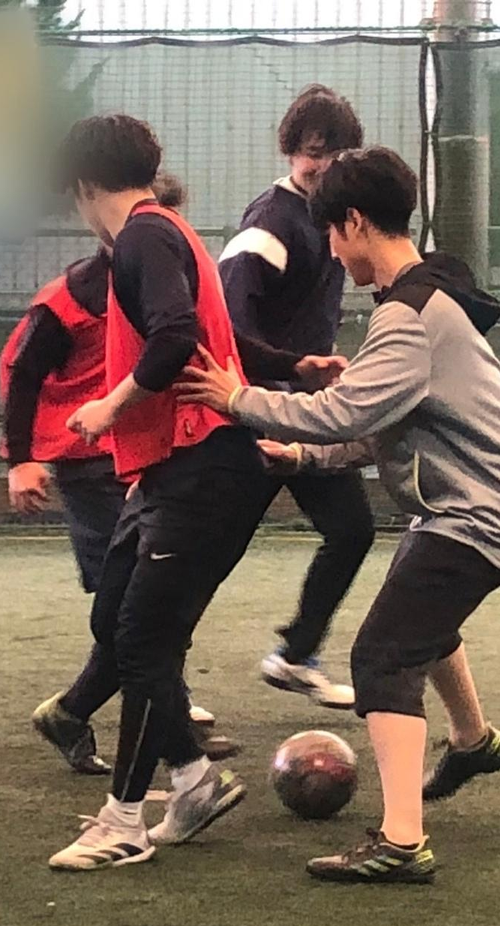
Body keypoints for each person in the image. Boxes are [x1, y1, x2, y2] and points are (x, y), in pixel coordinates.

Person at [177, 147, 500, 883]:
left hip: (476, 517)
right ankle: (472, 742)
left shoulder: (409, 314)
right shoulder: (427, 295)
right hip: (471, 510)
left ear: (353, 221)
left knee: (381, 658)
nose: (334, 256)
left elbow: (344, 410)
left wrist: (237, 399)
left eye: (332, 236)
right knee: (417, 614)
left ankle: (402, 843)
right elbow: (378, 428)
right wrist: (304, 460)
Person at [42, 114, 277, 872]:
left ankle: (125, 819)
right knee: (117, 625)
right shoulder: (160, 234)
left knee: (144, 639)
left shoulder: (143, 238)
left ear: (83, 185)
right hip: (173, 471)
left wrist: (108, 408)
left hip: (203, 467)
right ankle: (193, 782)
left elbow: (175, 337)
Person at [0, 174, 247, 773]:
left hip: (140, 453)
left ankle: (88, 715)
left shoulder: (160, 278)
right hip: (88, 458)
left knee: (144, 607)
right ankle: (167, 734)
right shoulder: (72, 297)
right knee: (137, 610)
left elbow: (203, 348)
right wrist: (21, 459)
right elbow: (20, 370)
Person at [218, 84, 374, 710]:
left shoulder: (333, 219)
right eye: (313, 151)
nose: (323, 165)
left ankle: (296, 654)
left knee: (352, 530)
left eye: (336, 154)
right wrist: (283, 376)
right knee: (207, 553)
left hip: (304, 417)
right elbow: (226, 327)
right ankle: (151, 684)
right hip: (252, 417)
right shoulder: (271, 222)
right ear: (290, 151)